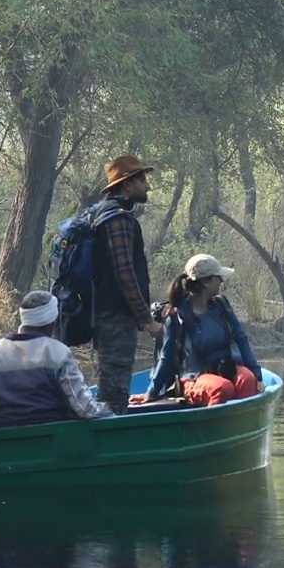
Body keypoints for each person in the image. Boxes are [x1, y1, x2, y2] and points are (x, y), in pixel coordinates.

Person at [0, 290, 115, 426]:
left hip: (8, 442)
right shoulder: (59, 354)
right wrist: (111, 411)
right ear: (52, 320)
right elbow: (85, 410)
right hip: (55, 439)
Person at [136, 254, 264, 406]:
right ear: (205, 282)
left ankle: (241, 421)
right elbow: (166, 357)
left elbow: (241, 339)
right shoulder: (176, 317)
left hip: (225, 367)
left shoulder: (221, 305)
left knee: (248, 380)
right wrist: (152, 392)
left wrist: (257, 375)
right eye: (218, 277)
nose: (222, 281)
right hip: (194, 376)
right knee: (222, 388)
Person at [92, 155, 164, 413]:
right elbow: (125, 275)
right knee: (114, 397)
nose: (147, 186)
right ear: (126, 186)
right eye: (142, 180)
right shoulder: (118, 220)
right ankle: (110, 445)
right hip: (115, 320)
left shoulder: (102, 213)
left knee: (111, 389)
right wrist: (148, 321)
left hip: (109, 318)